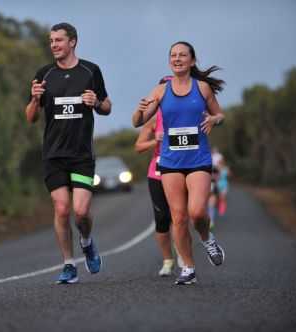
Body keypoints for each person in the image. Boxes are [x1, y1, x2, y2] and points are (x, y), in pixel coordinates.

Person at [132, 41, 226, 285]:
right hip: (171, 161)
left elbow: (220, 115)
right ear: (169, 62)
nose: (177, 59)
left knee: (196, 213)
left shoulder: (203, 88)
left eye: (182, 55)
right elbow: (137, 122)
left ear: (192, 60)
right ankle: (189, 268)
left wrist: (215, 119)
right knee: (178, 217)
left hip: (198, 159)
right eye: (173, 55)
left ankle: (207, 238)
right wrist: (139, 110)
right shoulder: (161, 90)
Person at [25, 22, 112, 284]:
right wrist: (34, 100)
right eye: (51, 41)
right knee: (62, 208)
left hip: (82, 154)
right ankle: (68, 264)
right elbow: (30, 117)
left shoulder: (90, 71)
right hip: (53, 154)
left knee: (81, 212)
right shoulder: (44, 74)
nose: (53, 45)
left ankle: (86, 240)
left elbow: (107, 106)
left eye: (59, 40)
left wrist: (95, 102)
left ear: (72, 42)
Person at [134, 76, 181, 277]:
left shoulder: (186, 114)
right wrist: (155, 141)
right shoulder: (154, 119)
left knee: (179, 217)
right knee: (162, 219)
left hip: (181, 170)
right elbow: (137, 147)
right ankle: (167, 260)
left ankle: (182, 254)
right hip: (158, 173)